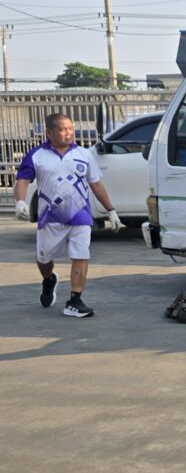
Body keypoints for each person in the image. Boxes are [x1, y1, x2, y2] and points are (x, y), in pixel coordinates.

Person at [13, 112, 123, 318]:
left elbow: (96, 184)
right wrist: (20, 201)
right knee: (43, 259)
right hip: (50, 218)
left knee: (81, 254)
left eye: (70, 129)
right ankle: (49, 279)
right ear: (49, 133)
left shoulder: (84, 154)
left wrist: (111, 210)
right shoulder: (37, 155)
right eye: (62, 129)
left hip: (80, 216)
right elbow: (23, 181)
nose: (68, 133)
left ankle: (75, 300)